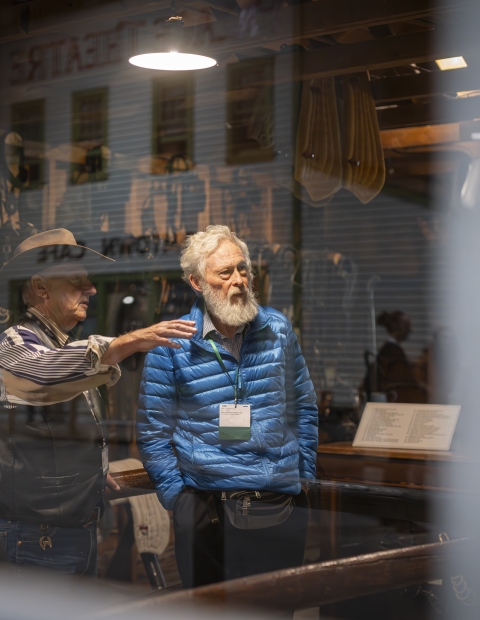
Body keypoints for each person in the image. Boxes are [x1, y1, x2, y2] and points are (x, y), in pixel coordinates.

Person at [0, 228, 196, 575]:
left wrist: (89, 471)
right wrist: (131, 341)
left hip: (69, 529)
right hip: (36, 536)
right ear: (41, 287)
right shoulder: (13, 343)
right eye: (76, 280)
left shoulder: (62, 345)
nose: (90, 289)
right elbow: (43, 374)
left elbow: (51, 426)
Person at [137, 225, 318, 588]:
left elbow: (304, 407)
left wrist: (304, 475)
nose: (238, 280)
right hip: (207, 510)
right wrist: (179, 500)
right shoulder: (170, 344)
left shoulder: (278, 330)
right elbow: (152, 432)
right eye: (225, 272)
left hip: (279, 506)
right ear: (196, 283)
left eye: (242, 269)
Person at [363, 310, 426, 404]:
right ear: (398, 327)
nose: (410, 330)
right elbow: (402, 377)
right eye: (407, 326)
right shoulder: (392, 351)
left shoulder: (391, 350)